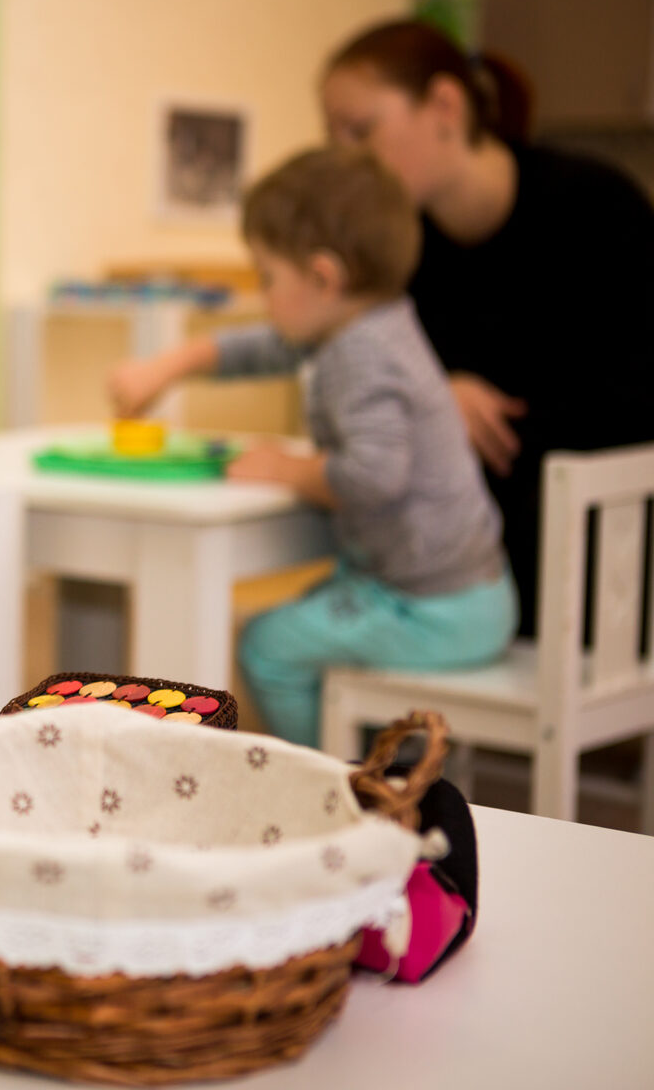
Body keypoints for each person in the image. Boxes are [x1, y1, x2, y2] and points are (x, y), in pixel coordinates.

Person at [109, 147, 517, 747]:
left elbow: (376, 476)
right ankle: (383, 767)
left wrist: (291, 471)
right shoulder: (372, 321)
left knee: (267, 646)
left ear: (324, 276)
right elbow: (265, 346)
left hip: (431, 610)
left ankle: (332, 785)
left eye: (268, 277)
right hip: (465, 595)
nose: (264, 295)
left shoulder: (358, 351)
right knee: (297, 620)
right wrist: (172, 365)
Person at [321, 19, 654, 636]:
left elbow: (629, 403)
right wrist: (437, 398)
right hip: (459, 553)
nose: (346, 159)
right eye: (333, 137)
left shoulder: (597, 209)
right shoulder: (400, 251)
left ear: (445, 105)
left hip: (595, 553)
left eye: (360, 131)